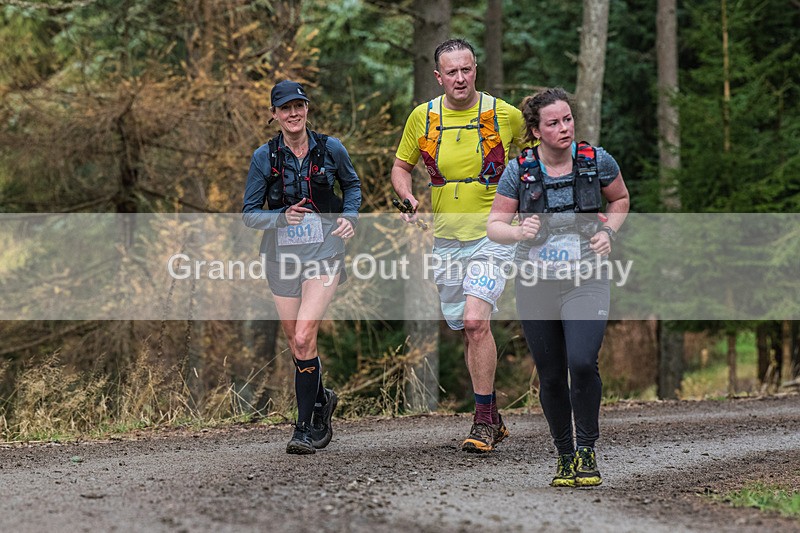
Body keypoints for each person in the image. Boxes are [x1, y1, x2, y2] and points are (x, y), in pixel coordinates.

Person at [487, 87, 630, 486]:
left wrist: (609, 234)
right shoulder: (519, 171)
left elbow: (620, 200)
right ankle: (564, 455)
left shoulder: (596, 160)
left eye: (567, 119)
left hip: (586, 278)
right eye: (553, 123)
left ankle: (587, 450)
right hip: (536, 283)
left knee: (582, 362)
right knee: (550, 375)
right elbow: (494, 226)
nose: (564, 128)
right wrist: (518, 232)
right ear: (535, 130)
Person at [391, 39, 526, 453]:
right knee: (465, 327)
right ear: (439, 76)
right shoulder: (423, 117)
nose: (460, 78)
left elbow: (538, 159)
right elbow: (401, 168)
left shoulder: (505, 115)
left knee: (474, 322)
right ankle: (494, 414)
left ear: (475, 69)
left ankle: (482, 421)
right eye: (452, 72)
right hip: (447, 238)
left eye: (466, 69)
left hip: (494, 233)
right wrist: (409, 198)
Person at [242, 80, 362, 455]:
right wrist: (281, 217)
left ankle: (305, 426)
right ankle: (321, 399)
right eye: (285, 108)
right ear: (274, 115)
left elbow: (353, 186)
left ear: (307, 109)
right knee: (296, 344)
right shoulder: (265, 157)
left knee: (304, 335)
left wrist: (350, 217)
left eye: (299, 106)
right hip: (281, 258)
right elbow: (249, 215)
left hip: (324, 253)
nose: (293, 113)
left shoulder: (331, 148)